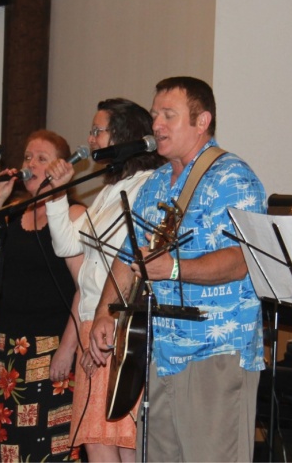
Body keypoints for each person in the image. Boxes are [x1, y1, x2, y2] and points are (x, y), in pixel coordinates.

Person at [89, 76, 267, 462]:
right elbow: (126, 257)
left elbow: (241, 260)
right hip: (159, 351)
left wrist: (174, 269)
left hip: (215, 351)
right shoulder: (154, 185)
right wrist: (105, 313)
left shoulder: (232, 178)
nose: (157, 125)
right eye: (155, 115)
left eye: (169, 115)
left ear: (202, 121)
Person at [44, 98, 165, 461]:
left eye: (98, 131)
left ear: (124, 136)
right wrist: (56, 193)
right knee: (104, 438)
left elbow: (129, 262)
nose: (91, 138)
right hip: (94, 324)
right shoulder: (110, 191)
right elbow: (68, 245)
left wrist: (104, 318)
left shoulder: (147, 186)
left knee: (115, 439)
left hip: (118, 326)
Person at [0, 130, 85, 462]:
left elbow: (84, 288)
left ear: (61, 168)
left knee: (48, 447)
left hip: (50, 352)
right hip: (9, 353)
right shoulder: (12, 214)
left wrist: (67, 348)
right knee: (9, 447)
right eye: (27, 157)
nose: (30, 163)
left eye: (41, 158)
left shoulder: (73, 216)